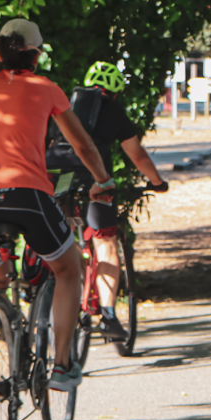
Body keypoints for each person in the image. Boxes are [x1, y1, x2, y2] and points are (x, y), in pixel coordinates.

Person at [0, 19, 113, 392]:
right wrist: (103, 182)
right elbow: (82, 146)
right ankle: (62, 366)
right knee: (68, 268)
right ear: (36, 56)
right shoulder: (46, 89)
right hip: (26, 197)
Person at [58, 62, 169, 341]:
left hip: (60, 177)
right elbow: (137, 155)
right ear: (115, 92)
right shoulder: (112, 108)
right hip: (96, 182)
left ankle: (41, 285)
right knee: (105, 241)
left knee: (59, 234)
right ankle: (108, 315)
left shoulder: (65, 102)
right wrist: (157, 182)